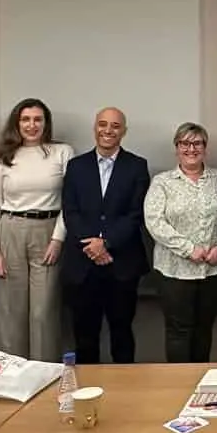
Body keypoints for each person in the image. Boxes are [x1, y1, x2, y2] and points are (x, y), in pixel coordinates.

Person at [0, 98, 73, 361]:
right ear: (17, 123)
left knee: (43, 312)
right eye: (25, 119)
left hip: (48, 231)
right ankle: (13, 372)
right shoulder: (2, 157)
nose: (31, 125)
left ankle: (45, 372)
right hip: (10, 230)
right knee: (12, 311)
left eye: (37, 120)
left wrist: (58, 239)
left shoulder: (62, 152)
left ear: (46, 123)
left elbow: (71, 202)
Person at [61, 107, 150, 364]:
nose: (108, 130)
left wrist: (106, 242)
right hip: (82, 264)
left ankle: (125, 387)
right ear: (95, 128)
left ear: (124, 131)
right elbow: (70, 211)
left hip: (121, 264)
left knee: (122, 335)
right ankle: (89, 387)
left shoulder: (137, 166)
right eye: (103, 124)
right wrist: (92, 246)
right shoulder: (76, 166)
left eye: (115, 126)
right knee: (85, 337)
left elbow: (136, 214)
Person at [144, 123, 217, 363]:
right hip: (174, 272)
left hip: (212, 270)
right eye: (185, 143)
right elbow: (154, 222)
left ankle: (201, 380)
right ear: (177, 148)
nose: (191, 149)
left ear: (205, 148)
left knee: (204, 330)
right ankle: (179, 382)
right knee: (178, 332)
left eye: (197, 143)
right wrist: (189, 249)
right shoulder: (162, 182)